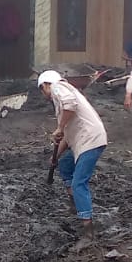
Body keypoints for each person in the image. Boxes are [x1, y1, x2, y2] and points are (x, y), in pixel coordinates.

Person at [38, 69, 108, 237]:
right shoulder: (62, 99)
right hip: (83, 141)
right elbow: (67, 137)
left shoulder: (58, 87)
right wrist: (55, 156)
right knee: (65, 164)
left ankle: (87, 230)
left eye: (41, 91)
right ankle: (75, 204)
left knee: (79, 183)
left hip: (90, 141)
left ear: (44, 86)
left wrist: (60, 127)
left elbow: (70, 105)